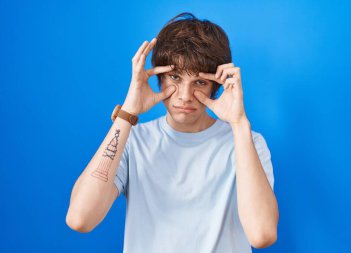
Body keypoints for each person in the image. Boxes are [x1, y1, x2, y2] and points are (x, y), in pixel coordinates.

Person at [66, 12, 279, 252]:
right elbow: (80, 218)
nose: (184, 96)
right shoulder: (133, 140)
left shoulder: (247, 142)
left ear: (216, 85)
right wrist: (127, 113)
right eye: (174, 77)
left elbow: (261, 234)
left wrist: (239, 124)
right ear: (157, 76)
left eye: (199, 82)